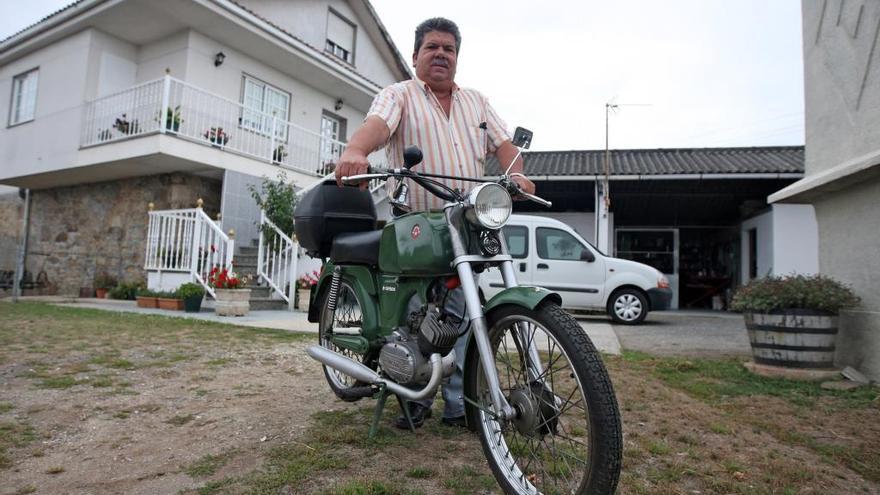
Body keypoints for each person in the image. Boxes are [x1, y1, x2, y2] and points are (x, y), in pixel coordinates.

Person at [335, 17, 535, 429]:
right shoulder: (399, 95)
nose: (441, 53)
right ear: (415, 56)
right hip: (416, 226)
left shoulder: (476, 101)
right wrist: (355, 149)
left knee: (463, 316)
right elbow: (377, 126)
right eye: (432, 47)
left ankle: (460, 407)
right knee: (410, 317)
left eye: (449, 48)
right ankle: (413, 401)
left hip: (465, 223)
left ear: (457, 58)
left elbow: (502, 144)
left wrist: (516, 173)